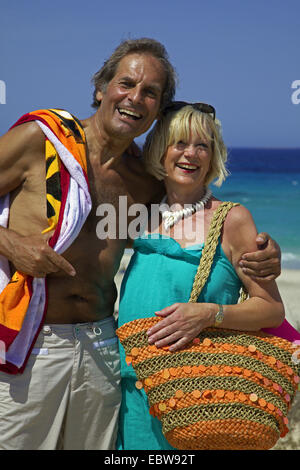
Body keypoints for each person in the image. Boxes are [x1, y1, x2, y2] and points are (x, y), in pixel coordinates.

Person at [0, 38, 280, 450]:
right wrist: (10, 244)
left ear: (157, 110)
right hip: (33, 338)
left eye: (150, 92)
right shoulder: (39, 142)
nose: (135, 97)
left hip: (104, 346)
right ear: (101, 88)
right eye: (126, 83)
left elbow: (195, 217)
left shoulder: (146, 182)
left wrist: (265, 254)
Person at [116, 101, 287, 450]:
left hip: (199, 394)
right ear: (160, 150)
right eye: (179, 143)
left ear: (214, 156)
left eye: (202, 146)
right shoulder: (141, 211)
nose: (190, 154)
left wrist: (210, 313)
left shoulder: (232, 219)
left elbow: (271, 310)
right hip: (134, 388)